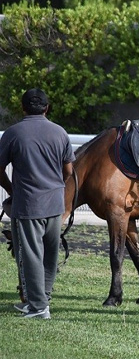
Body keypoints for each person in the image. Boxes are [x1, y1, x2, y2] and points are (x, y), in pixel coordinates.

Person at [0, 88, 75, 319]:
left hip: (28, 204)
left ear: (22, 108)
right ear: (47, 108)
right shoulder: (60, 133)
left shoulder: (12, 133)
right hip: (55, 203)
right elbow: (69, 170)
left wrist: (11, 189)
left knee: (31, 254)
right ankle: (43, 300)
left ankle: (39, 307)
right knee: (50, 253)